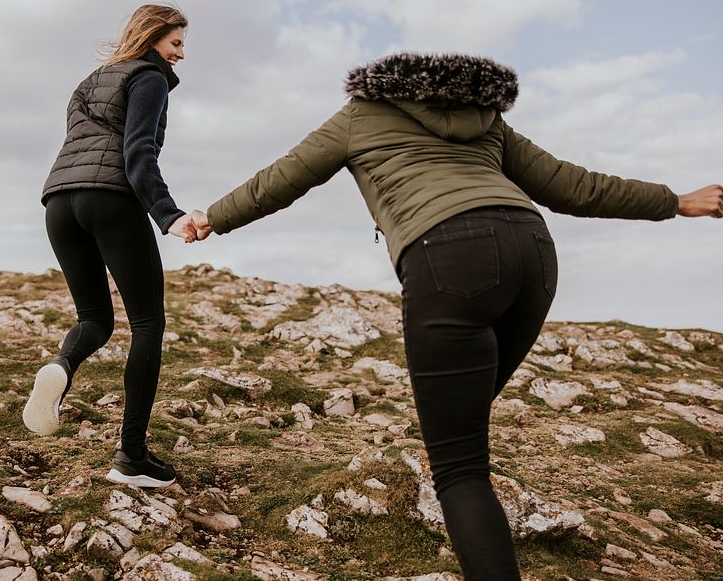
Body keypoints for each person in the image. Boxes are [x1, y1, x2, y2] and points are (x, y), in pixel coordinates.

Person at [187, 51, 722, 580]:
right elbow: (571, 184)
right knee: (463, 418)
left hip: (448, 253)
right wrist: (676, 201)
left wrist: (212, 218)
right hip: (533, 252)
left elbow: (282, 178)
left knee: (460, 468)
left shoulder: (359, 114)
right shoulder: (488, 120)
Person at [24, 4, 196, 489]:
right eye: (176, 43)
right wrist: (169, 214)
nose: (180, 54)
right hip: (111, 199)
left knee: (94, 318)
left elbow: (82, 145)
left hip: (59, 202)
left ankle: (61, 366)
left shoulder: (91, 80)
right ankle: (131, 456)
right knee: (147, 323)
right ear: (152, 37)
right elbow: (136, 150)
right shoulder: (149, 77)